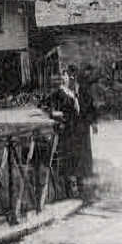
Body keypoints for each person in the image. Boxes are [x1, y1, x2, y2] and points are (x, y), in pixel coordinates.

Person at [47, 68, 81, 198]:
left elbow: (78, 110)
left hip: (74, 129)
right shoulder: (57, 94)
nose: (63, 78)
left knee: (75, 157)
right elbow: (50, 110)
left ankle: (75, 187)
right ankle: (67, 190)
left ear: (69, 78)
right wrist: (61, 116)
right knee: (66, 158)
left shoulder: (72, 92)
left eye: (65, 75)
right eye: (61, 75)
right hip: (65, 129)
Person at [67, 63, 98, 186]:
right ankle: (75, 177)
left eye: (73, 76)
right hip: (72, 125)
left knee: (84, 149)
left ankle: (84, 176)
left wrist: (93, 123)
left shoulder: (83, 89)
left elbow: (91, 106)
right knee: (74, 151)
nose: (71, 78)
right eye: (69, 76)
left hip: (83, 124)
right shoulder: (65, 91)